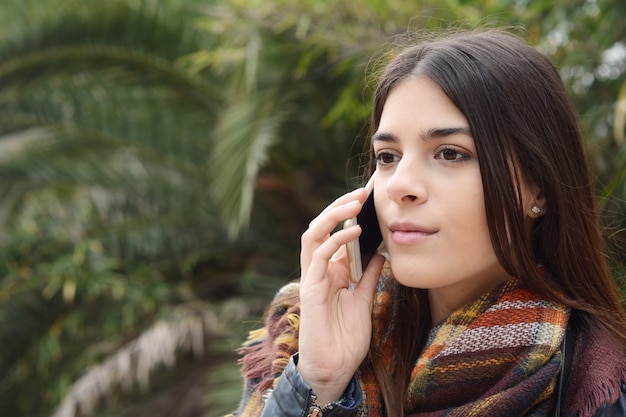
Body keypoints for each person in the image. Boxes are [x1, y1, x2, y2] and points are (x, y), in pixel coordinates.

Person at [227, 30, 626, 417]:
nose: (400, 185)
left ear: (537, 188)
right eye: (387, 156)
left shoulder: (595, 385)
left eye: (450, 153)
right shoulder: (303, 333)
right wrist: (318, 381)